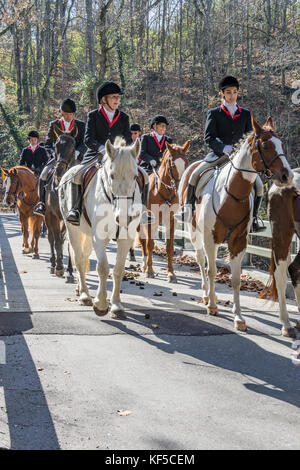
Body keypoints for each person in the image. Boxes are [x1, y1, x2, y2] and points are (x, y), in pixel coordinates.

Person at [174, 75, 265, 231]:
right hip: (218, 155)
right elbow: (208, 138)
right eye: (228, 92)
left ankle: (254, 219)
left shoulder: (245, 114)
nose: (232, 95)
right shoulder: (214, 113)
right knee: (195, 175)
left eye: (235, 92)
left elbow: (250, 138)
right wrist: (223, 147)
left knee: (259, 185)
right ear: (222, 94)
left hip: (239, 159)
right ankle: (187, 211)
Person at [65, 81, 152, 225]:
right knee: (78, 174)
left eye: (118, 97)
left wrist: (124, 152)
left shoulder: (124, 117)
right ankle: (75, 209)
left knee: (143, 175)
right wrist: (100, 148)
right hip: (96, 154)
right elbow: (88, 139)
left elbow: (127, 139)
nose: (117, 100)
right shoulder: (93, 115)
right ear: (104, 100)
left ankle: (142, 210)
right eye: (113, 97)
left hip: (118, 156)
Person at [34, 98, 86, 216]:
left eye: (71, 114)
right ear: (61, 112)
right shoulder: (54, 125)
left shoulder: (81, 125)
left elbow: (84, 143)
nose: (68, 116)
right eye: (66, 114)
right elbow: (48, 143)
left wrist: (78, 151)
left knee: (83, 176)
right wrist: (53, 153)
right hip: (58, 157)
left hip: (74, 157)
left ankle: (81, 204)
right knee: (43, 175)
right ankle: (42, 203)